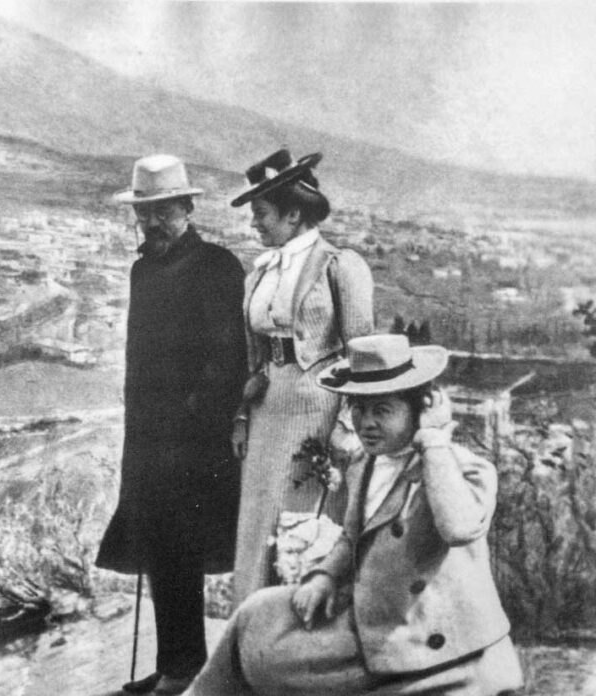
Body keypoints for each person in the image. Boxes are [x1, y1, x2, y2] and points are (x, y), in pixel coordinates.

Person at [183, 333, 524, 696]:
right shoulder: (364, 464)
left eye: (383, 410)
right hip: (372, 619)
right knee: (258, 613)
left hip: (436, 644)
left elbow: (458, 528)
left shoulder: (462, 469)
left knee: (282, 666)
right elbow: (351, 537)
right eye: (359, 408)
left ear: (420, 410)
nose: (366, 423)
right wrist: (324, 578)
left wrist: (434, 441)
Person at [96, 154, 248, 696]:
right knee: (160, 550)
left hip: (193, 444)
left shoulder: (218, 267)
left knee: (182, 548)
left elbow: (227, 360)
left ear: (187, 207)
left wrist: (187, 424)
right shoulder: (143, 269)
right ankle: (174, 666)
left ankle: (188, 671)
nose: (154, 222)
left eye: (164, 210)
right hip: (147, 440)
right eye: (144, 213)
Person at [229, 149, 374, 602]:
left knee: (302, 525)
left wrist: (346, 428)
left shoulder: (339, 266)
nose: (254, 224)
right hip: (268, 409)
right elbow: (253, 357)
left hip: (318, 410)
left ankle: (297, 642)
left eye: (262, 214)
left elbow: (362, 354)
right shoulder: (260, 274)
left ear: (294, 214)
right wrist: (240, 416)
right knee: (258, 526)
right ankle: (253, 634)